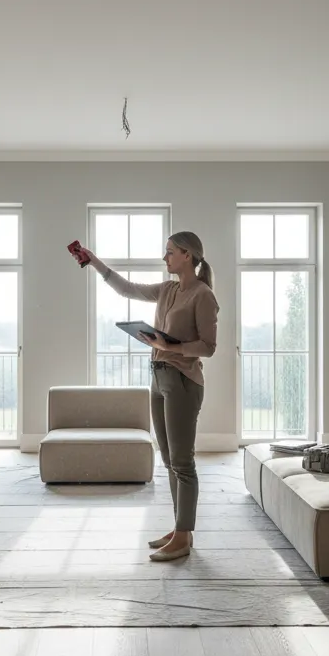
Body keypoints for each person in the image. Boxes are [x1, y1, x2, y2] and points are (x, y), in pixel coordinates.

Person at [82, 231, 219, 561]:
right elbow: (127, 288)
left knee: (183, 462)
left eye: (170, 252)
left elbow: (209, 347)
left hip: (183, 381)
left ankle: (184, 538)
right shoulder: (168, 289)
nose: (165, 257)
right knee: (169, 461)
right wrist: (94, 261)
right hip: (158, 378)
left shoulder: (203, 295)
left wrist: (171, 346)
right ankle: (178, 528)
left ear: (187, 255)